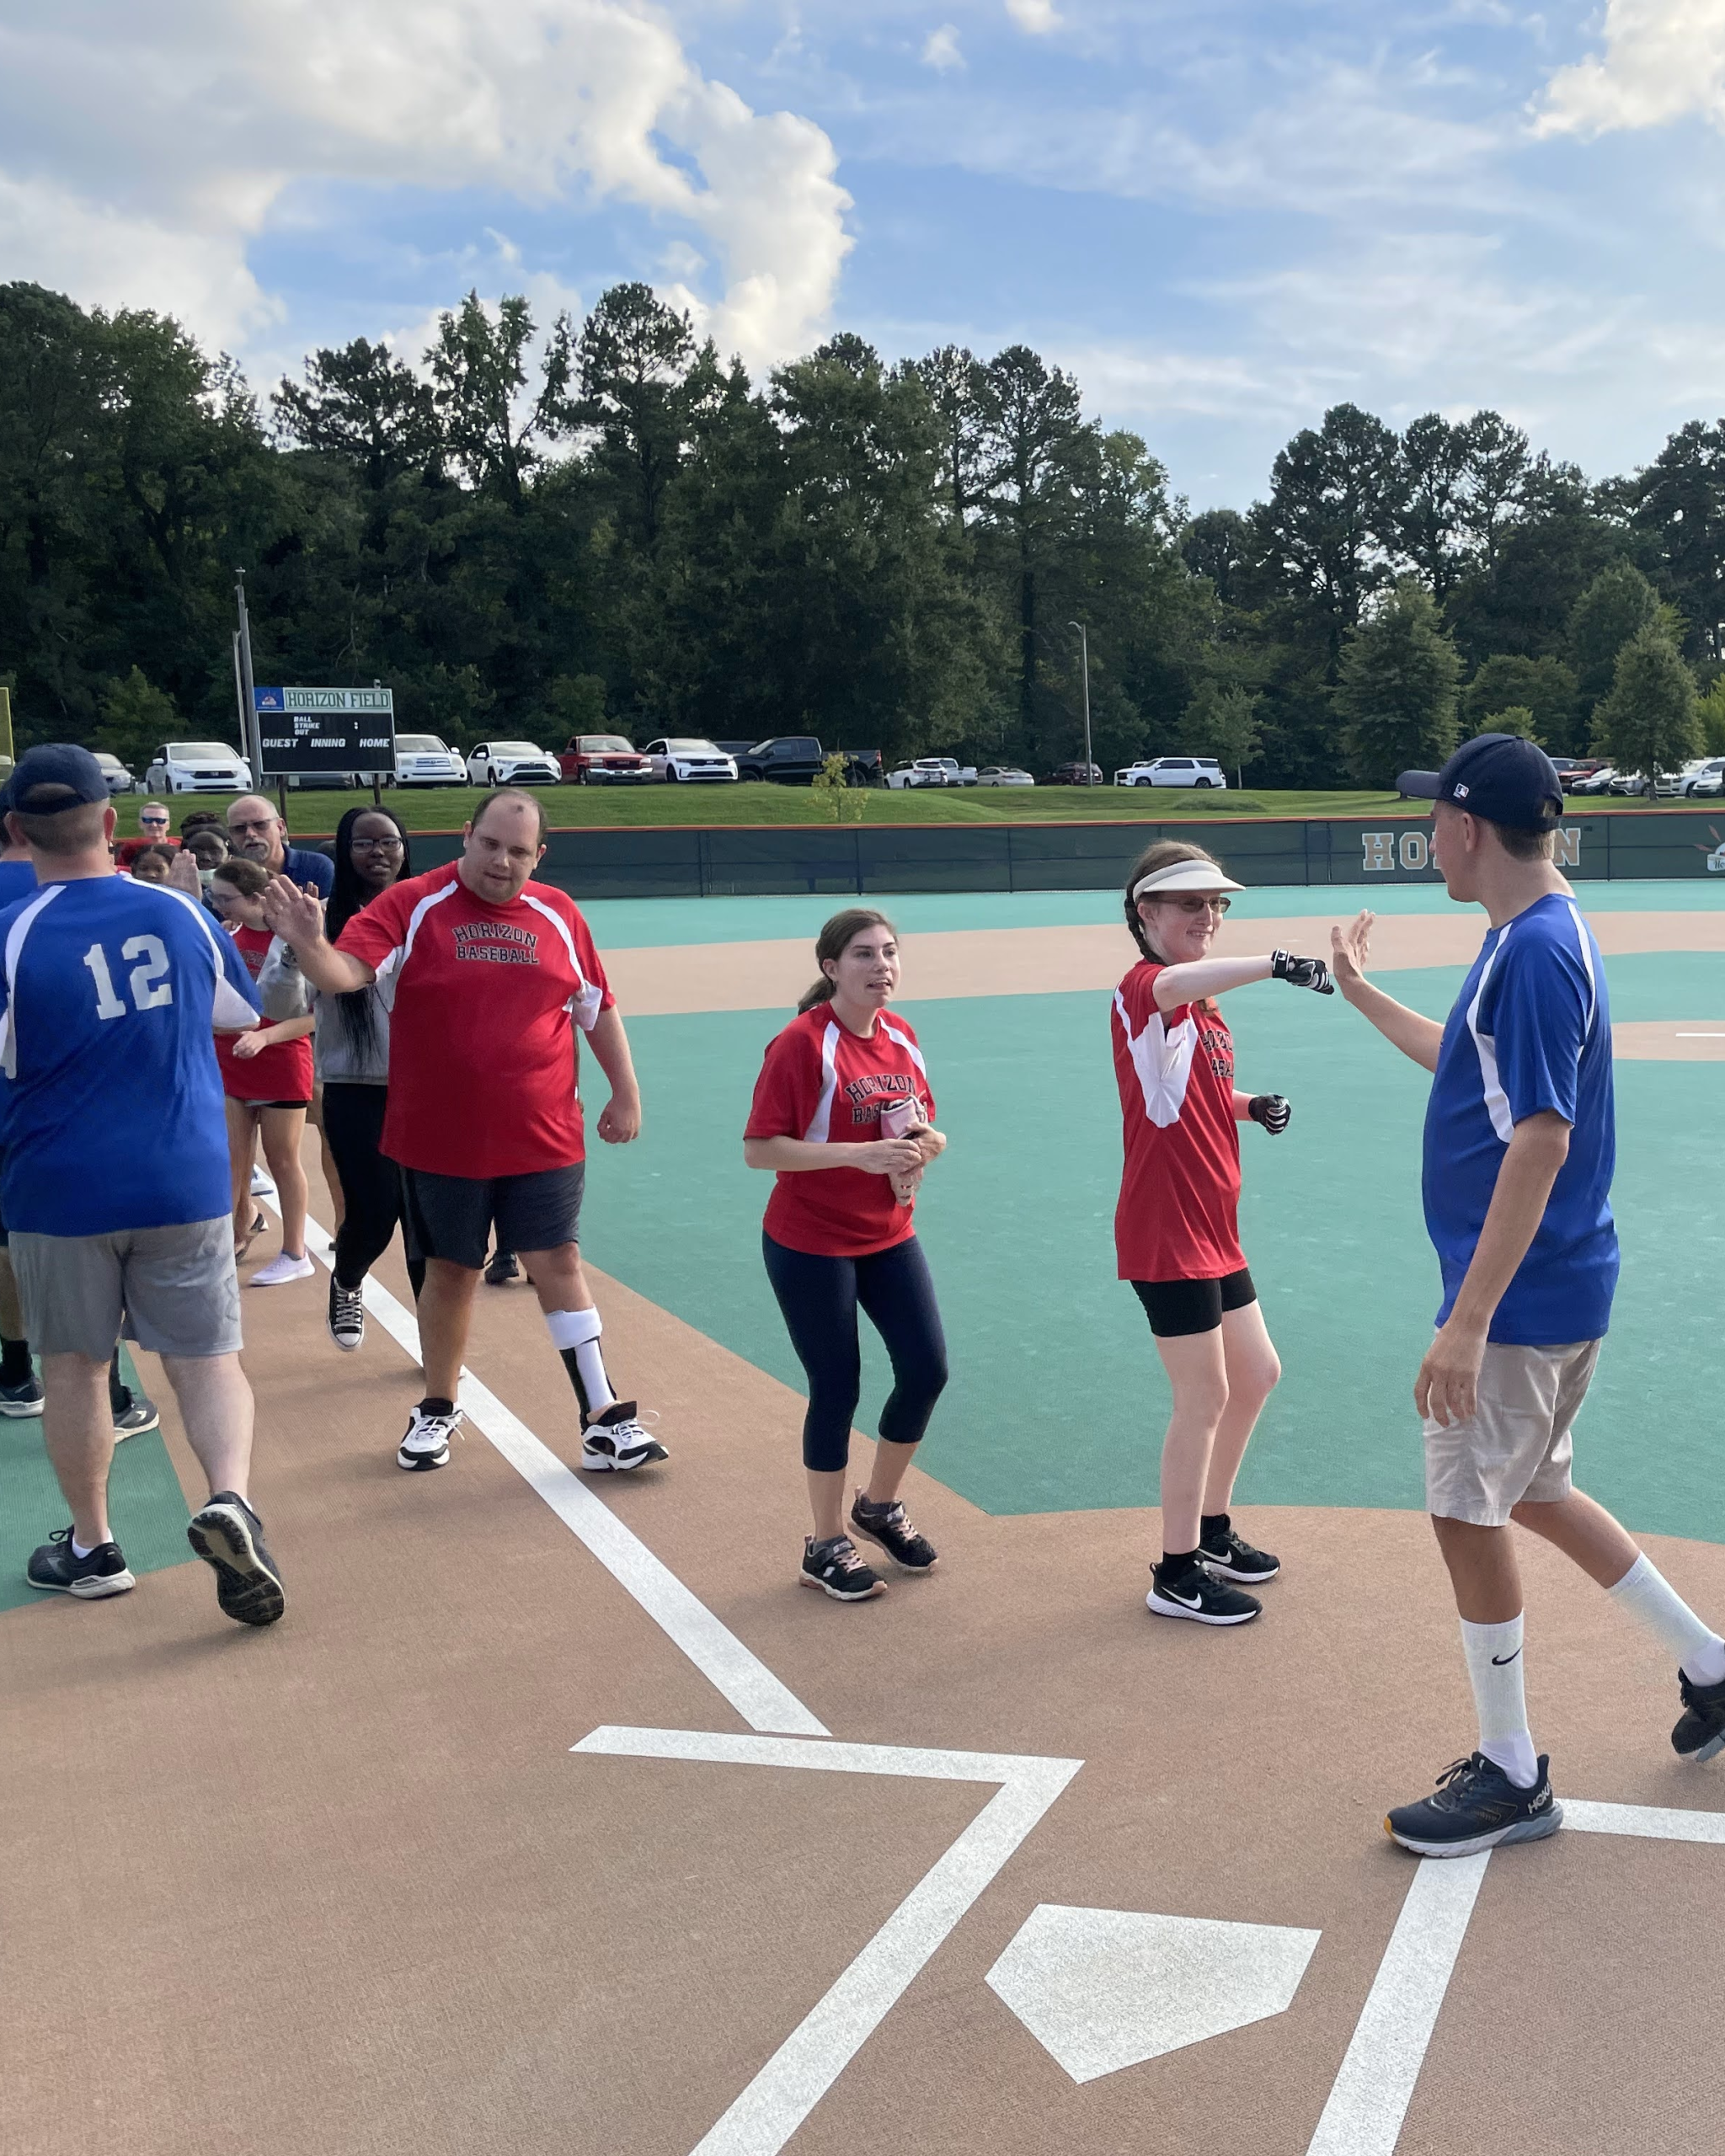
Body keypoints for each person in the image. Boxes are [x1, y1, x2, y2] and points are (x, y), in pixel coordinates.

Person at [1330, 734, 1725, 1855]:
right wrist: (1362, 996)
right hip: (1555, 1283)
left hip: (1520, 1296)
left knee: (1466, 1508)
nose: (1426, 840)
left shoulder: (1536, 952)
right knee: (1540, 1489)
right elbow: (1473, 1071)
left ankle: (1511, 1773)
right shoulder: (1525, 937)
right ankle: (1713, 1666)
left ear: (1464, 827)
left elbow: (1539, 1142)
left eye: (1432, 821)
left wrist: (1466, 1325)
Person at [263, 787, 662, 1473]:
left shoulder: (559, 913)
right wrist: (307, 942)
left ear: (539, 856)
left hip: (544, 1131)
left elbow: (595, 1007)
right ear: (466, 835)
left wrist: (626, 1093)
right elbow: (347, 976)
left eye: (518, 851)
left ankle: (602, 1416)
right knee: (452, 1270)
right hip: (440, 1138)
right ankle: (439, 1406)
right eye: (490, 845)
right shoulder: (412, 902)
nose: (501, 863)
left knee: (558, 1261)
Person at [2, 745, 285, 1624]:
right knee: (206, 1360)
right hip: (182, 1177)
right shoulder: (179, 913)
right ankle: (230, 1498)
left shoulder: (10, 929)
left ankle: (94, 1545)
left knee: (78, 1366)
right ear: (114, 824)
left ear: (16, 831)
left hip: (58, 1187)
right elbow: (238, 1015)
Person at [1113, 840, 1335, 1626]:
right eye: (1189, 904)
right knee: (1202, 1395)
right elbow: (1169, 984)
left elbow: (1187, 1088)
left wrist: (1248, 1105)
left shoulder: (1202, 1008)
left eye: (1216, 905)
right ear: (1146, 915)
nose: (1207, 917)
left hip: (1213, 1224)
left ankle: (1209, 1532)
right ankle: (1174, 1573)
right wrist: (1275, 962)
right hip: (1166, 1227)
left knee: (1258, 1373)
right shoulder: (1146, 986)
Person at [743, 909, 949, 1602]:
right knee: (838, 1386)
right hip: (810, 1241)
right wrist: (861, 1156)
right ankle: (825, 1542)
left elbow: (915, 1119)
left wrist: (924, 1147)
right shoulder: (802, 1045)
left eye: (890, 952)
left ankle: (878, 1506)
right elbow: (760, 1149)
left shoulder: (902, 1036)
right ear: (832, 968)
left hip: (888, 1232)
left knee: (926, 1370)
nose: (881, 966)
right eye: (864, 954)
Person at [261, 804, 423, 1348]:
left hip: (431, 1088)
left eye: (389, 841)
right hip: (358, 1088)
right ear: (343, 850)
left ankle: (436, 1336)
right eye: (363, 842)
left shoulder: (430, 914)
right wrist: (293, 947)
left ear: (405, 848)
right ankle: (348, 1278)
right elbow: (280, 1004)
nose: (378, 852)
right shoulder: (317, 918)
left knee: (427, 1223)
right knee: (375, 1213)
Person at [208, 858, 315, 1283]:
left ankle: (295, 1251)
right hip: (231, 1059)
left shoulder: (295, 939)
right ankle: (228, 1238)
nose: (218, 906)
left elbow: (317, 1016)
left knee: (283, 1159)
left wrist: (266, 1038)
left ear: (255, 898)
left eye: (226, 898)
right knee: (230, 1159)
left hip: (281, 1059)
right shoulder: (229, 935)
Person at [226, 794, 334, 899]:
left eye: (260, 824)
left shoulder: (316, 867)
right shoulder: (226, 879)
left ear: (280, 828)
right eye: (239, 828)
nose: (250, 833)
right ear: (231, 836)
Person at [116, 801, 176, 872]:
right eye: (148, 820)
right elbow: (121, 873)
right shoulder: (131, 848)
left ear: (168, 825)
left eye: (160, 820)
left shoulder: (179, 847)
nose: (154, 824)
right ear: (140, 824)